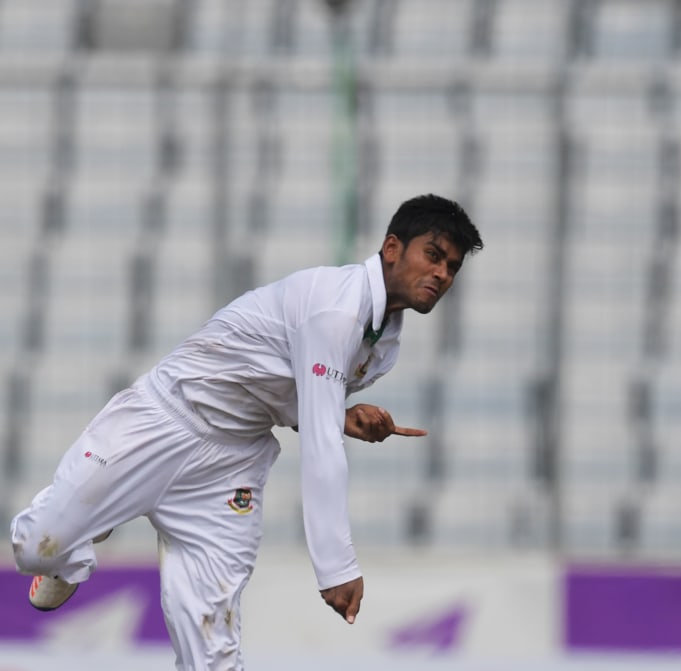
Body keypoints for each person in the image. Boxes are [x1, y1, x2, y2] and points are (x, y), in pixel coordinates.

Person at [9, 194, 483, 669]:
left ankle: (90, 525)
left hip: (229, 465)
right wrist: (336, 567)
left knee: (215, 655)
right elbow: (321, 445)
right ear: (392, 248)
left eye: (453, 267)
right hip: (163, 420)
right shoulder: (336, 308)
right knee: (37, 548)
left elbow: (285, 387)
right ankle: (71, 551)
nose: (442, 274)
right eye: (434, 255)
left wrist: (339, 413)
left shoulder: (385, 344)